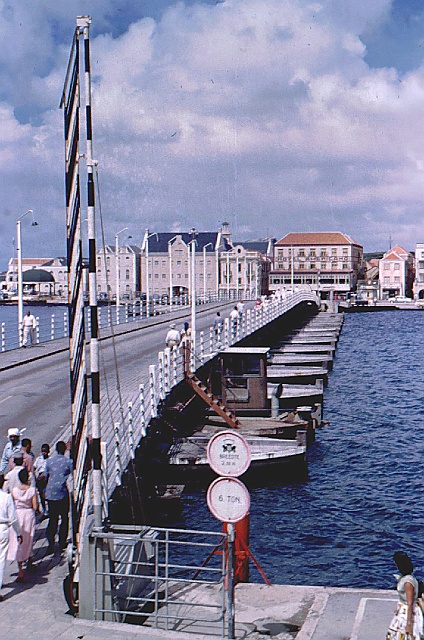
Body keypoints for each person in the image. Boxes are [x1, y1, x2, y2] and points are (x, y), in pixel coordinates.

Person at [385, 551, 424, 639]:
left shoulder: (407, 583)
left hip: (407, 612)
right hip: (403, 609)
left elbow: (410, 603)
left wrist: (409, 624)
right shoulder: (407, 578)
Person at [8, 469, 38, 581]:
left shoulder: (14, 491)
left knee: (18, 542)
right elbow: (35, 506)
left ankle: (20, 570)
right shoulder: (32, 490)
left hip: (18, 514)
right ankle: (30, 559)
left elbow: (11, 504)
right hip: (28, 515)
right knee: (29, 538)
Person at [45, 441, 73, 554]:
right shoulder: (68, 462)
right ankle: (62, 543)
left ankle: (50, 544)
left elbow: (46, 476)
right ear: (65, 449)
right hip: (62, 493)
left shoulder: (49, 461)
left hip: (51, 494)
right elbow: (73, 473)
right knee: (64, 518)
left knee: (52, 519)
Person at [0, 474, 22, 601]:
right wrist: (18, 532)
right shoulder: (6, 497)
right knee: (1, 559)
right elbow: (13, 518)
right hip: (2, 528)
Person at [33, 443, 50, 517]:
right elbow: (34, 468)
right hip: (39, 478)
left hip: (47, 477)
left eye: (45, 451)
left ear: (48, 451)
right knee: (41, 494)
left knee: (47, 494)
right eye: (42, 451)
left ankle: (50, 509)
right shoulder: (38, 459)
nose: (44, 453)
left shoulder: (50, 460)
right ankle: (44, 510)